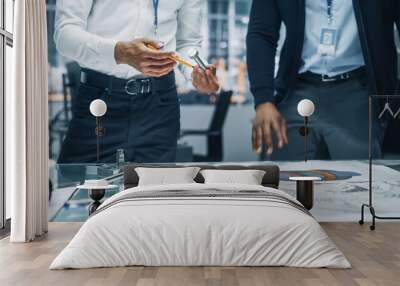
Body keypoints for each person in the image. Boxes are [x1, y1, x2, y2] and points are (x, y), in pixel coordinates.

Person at [54, 0, 219, 163]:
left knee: (156, 187)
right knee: (75, 182)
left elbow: (188, 42)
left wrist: (195, 71)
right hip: (99, 99)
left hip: (159, 104)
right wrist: (119, 52)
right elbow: (65, 34)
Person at [247, 0, 400, 160]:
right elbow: (262, 34)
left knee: (362, 177)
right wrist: (263, 100)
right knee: (283, 174)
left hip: (358, 92)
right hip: (296, 90)